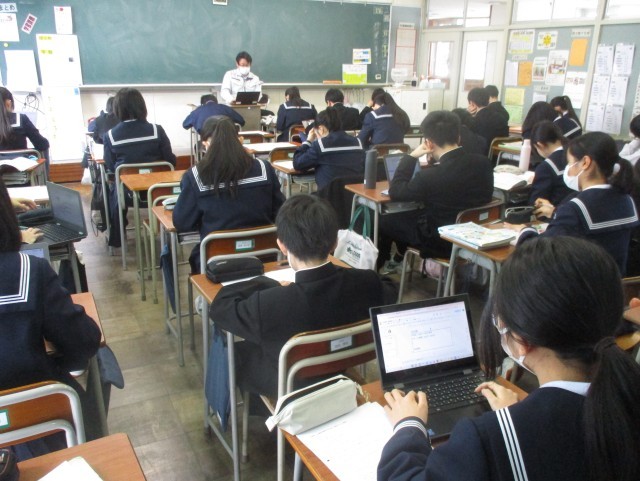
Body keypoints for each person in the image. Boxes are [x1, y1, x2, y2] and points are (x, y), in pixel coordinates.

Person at [378, 236, 640, 481]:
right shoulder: (624, 395)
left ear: (523, 341)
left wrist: (408, 425)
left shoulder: (486, 440)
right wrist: (518, 416)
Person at [209, 194, 397, 397]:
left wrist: (266, 282)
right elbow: (390, 288)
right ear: (335, 242)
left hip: (289, 382)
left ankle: (253, 412)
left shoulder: (268, 304)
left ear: (282, 245)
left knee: (238, 353)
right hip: (340, 366)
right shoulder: (367, 283)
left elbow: (220, 307)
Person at [0, 177, 101, 449]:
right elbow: (84, 341)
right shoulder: (27, 271)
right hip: (38, 416)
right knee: (101, 361)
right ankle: (93, 445)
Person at [377, 111, 493, 274]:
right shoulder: (484, 163)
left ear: (429, 143)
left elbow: (396, 191)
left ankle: (382, 266)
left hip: (441, 242)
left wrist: (411, 157)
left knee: (383, 219)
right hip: (475, 237)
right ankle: (398, 258)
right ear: (458, 137)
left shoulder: (430, 176)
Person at [509, 132, 639, 275]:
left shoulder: (577, 208)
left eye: (570, 163)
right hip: (614, 283)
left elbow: (538, 252)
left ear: (585, 163)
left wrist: (525, 231)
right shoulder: (627, 200)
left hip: (579, 285)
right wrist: (556, 213)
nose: (568, 169)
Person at [173, 116, 284, 273]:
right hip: (265, 257)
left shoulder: (195, 176)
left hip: (216, 264)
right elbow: (281, 212)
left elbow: (182, 223)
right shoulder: (264, 168)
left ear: (205, 143)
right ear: (239, 139)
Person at [103, 88, 176, 247]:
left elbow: (110, 166)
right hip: (159, 192)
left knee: (113, 187)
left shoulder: (110, 136)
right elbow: (170, 161)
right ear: (142, 106)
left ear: (118, 109)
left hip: (128, 194)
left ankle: (117, 237)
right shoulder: (157, 130)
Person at [292, 108, 365, 191]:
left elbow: (297, 164)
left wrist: (308, 141)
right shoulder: (358, 142)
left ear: (321, 129)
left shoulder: (320, 145)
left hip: (328, 196)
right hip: (354, 195)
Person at [0, 87, 50, 172]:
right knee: (43, 146)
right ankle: (45, 179)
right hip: (20, 169)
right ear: (8, 103)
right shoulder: (20, 119)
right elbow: (41, 144)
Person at [528, 120, 572, 207]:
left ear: (540, 145)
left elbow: (536, 202)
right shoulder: (575, 153)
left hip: (555, 211)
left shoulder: (546, 167)